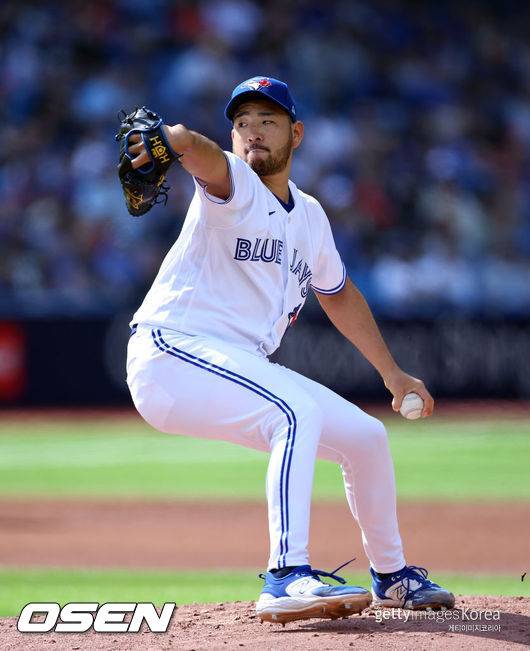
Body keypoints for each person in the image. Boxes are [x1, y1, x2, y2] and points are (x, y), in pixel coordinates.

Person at [125, 76, 455, 623]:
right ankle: (285, 577)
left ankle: (393, 578)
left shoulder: (310, 215)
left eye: (267, 121)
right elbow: (201, 155)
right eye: (242, 123)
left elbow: (340, 294)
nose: (251, 132)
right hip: (171, 352)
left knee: (367, 438)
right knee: (293, 410)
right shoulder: (234, 187)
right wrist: (175, 137)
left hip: (233, 364)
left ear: (296, 134)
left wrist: (392, 374)